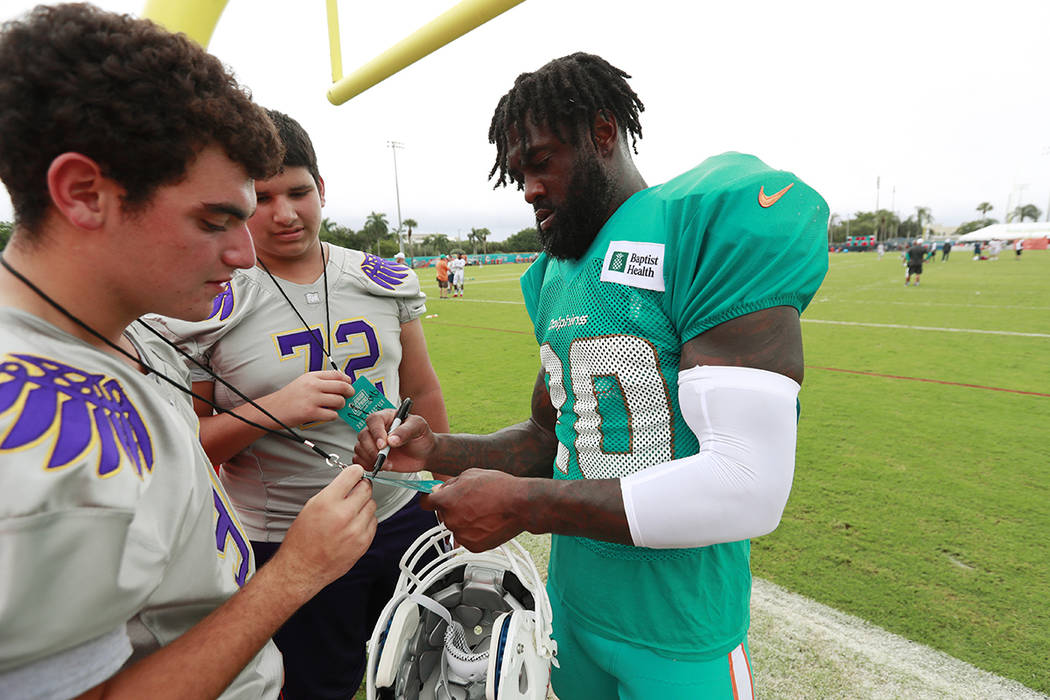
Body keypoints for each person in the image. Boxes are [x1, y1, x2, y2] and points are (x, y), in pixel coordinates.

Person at [355, 52, 829, 700]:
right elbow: (548, 439)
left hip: (679, 634)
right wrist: (437, 450)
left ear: (603, 133)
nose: (526, 188)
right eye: (517, 173)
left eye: (540, 161)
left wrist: (524, 506)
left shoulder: (696, 224)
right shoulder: (556, 273)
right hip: (570, 617)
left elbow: (748, 483)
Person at [0, 6, 376, 699]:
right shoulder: (25, 423)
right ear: (84, 194)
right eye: (214, 220)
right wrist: (294, 573)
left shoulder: (130, 333)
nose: (244, 252)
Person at [150, 110, 448, 699]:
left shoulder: (378, 277)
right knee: (316, 686)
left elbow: (426, 391)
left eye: (298, 191)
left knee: (429, 674)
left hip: (402, 517)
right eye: (261, 198)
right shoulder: (209, 299)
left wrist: (433, 476)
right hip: (286, 535)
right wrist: (274, 408)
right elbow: (188, 443)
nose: (285, 213)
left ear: (321, 188)